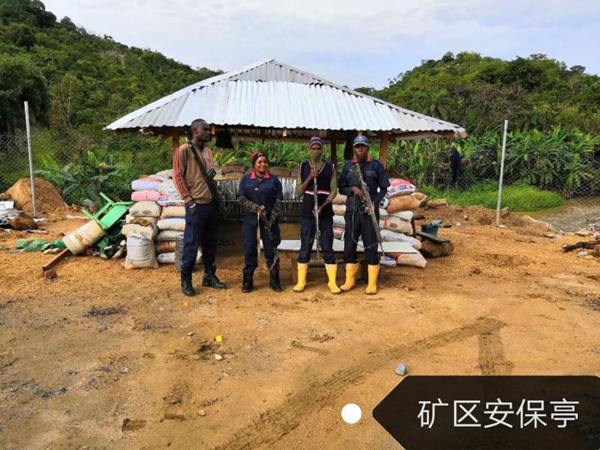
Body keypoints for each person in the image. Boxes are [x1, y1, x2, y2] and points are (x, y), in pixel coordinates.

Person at [173, 118, 226, 297]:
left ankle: (209, 276)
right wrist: (189, 200)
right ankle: (186, 280)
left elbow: (210, 174)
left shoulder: (209, 151)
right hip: (196, 206)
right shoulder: (184, 150)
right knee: (191, 243)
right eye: (205, 130)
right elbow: (178, 177)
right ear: (195, 131)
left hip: (211, 204)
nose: (209, 133)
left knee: (210, 243)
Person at [338, 135, 390, 295]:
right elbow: (341, 187)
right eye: (357, 146)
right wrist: (352, 189)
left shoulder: (376, 165)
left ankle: (372, 283)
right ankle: (349, 280)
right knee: (349, 245)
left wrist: (374, 203)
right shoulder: (348, 166)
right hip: (352, 211)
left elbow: (384, 189)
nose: (360, 149)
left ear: (367, 148)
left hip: (369, 212)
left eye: (363, 146)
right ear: (354, 148)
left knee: (371, 245)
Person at [293, 137, 340, 294]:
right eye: (312, 148)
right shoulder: (303, 166)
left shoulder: (330, 167)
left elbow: (334, 190)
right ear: (309, 150)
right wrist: (309, 177)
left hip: (325, 213)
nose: (315, 151)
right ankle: (301, 281)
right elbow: (298, 192)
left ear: (322, 150)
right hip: (308, 213)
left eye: (318, 148)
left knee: (327, 245)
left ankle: (332, 282)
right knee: (305, 245)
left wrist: (323, 206)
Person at [237, 151, 284, 293]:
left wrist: (271, 220)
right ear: (254, 165)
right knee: (250, 250)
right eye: (259, 162)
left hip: (270, 222)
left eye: (265, 161)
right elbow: (240, 198)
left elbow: (278, 201)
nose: (263, 164)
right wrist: (255, 208)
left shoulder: (274, 180)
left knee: (272, 250)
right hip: (251, 222)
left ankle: (274, 280)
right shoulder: (246, 179)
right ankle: (247, 281)